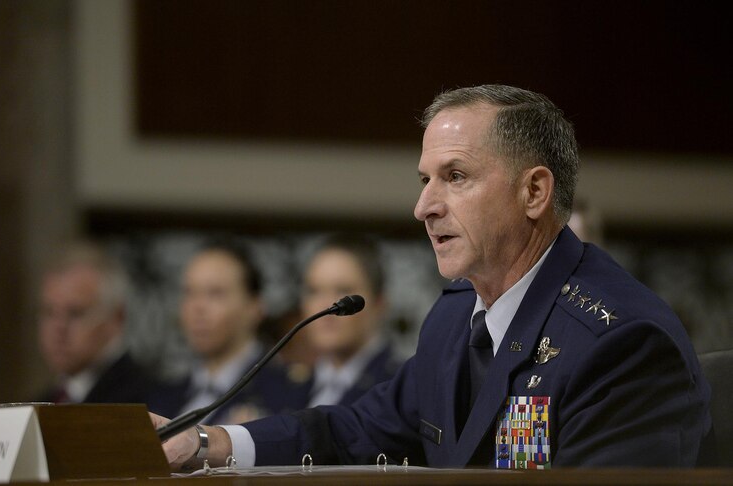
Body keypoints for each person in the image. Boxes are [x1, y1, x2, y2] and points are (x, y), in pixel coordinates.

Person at [152, 85, 714, 469]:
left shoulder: (620, 342)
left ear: (534, 192)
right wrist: (210, 441)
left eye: (456, 176)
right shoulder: (454, 317)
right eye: (425, 179)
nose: (423, 206)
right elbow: (356, 432)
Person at [148, 238, 307, 424]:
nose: (197, 308)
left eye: (215, 293)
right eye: (189, 293)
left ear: (254, 307)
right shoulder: (160, 397)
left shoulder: (287, 393)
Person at [37, 240, 155, 404]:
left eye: (75, 313)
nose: (58, 328)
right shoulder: (39, 403)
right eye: (49, 313)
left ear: (117, 317)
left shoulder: (147, 401)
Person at [299, 234, 402, 407]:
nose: (326, 305)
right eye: (314, 291)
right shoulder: (287, 388)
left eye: (343, 291)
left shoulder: (400, 386)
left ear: (379, 303)